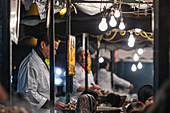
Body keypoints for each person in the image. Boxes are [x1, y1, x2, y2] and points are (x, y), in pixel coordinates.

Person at [17, 34, 65, 113]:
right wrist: (51, 104)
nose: (55, 53)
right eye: (54, 49)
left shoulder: (40, 61)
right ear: (43, 45)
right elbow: (29, 94)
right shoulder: (30, 63)